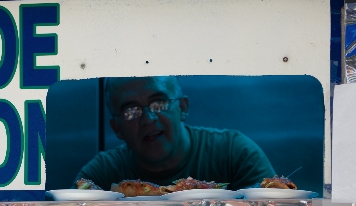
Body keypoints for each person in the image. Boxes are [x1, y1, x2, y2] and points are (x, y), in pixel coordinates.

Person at [74, 76, 275, 190]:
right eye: (131, 111)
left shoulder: (235, 154)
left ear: (183, 108)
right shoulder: (100, 177)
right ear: (117, 128)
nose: (148, 119)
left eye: (159, 103)